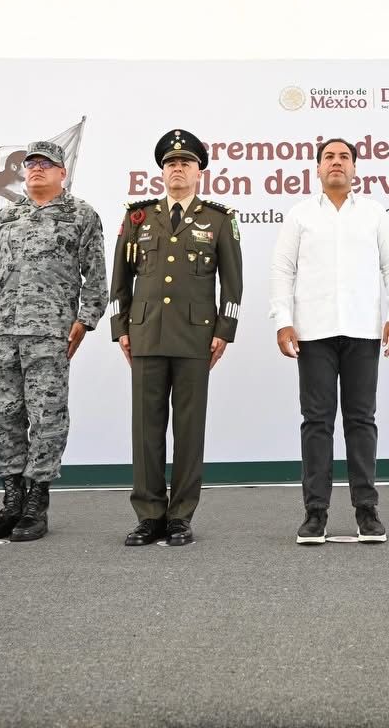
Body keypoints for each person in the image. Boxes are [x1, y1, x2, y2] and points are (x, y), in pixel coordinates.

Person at [270, 138, 389, 544]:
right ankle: (315, 513)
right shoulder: (300, 215)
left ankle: (367, 510)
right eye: (329, 157)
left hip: (364, 331)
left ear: (354, 168)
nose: (336, 162)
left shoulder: (374, 213)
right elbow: (282, 270)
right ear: (317, 168)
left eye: (344, 157)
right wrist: (283, 321)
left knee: (361, 420)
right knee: (317, 422)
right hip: (313, 333)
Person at [110, 129, 242, 547]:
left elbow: (232, 284)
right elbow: (120, 280)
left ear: (199, 172)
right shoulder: (138, 217)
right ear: (162, 173)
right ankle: (149, 515)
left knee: (189, 430)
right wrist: (120, 328)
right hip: (146, 334)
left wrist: (224, 331)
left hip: (195, 338)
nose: (177, 169)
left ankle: (181, 516)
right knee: (145, 430)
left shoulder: (218, 219)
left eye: (185, 163)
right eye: (170, 163)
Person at [0, 141, 106, 543]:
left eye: (46, 164)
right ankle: (12, 501)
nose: (36, 169)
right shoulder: (5, 217)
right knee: (3, 417)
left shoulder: (81, 215)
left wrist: (86, 319)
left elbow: (96, 274)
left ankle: (36, 504)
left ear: (63, 173)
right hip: (2, 333)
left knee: (47, 417)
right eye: (31, 163)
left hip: (50, 334)